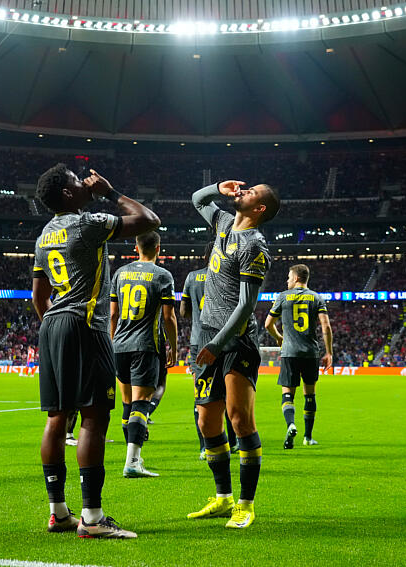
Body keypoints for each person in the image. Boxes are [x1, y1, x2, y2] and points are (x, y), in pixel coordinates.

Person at [32, 164, 159, 538]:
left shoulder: (43, 236)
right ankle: (92, 518)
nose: (83, 181)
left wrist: (55, 328)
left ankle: (59, 513)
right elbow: (148, 219)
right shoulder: (87, 223)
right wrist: (109, 191)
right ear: (69, 194)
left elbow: (40, 296)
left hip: (52, 325)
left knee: (57, 419)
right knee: (93, 418)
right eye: (76, 179)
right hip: (84, 325)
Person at [187, 179, 279, 529]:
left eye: (251, 192)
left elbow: (245, 307)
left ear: (259, 210)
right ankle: (223, 498)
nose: (243, 192)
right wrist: (217, 188)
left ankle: (246, 504)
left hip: (235, 340)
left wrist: (216, 345)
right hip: (209, 337)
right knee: (206, 421)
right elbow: (197, 198)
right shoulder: (224, 222)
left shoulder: (254, 246)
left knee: (239, 419)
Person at [109, 231, 178, 478]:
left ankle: (133, 456)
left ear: (136, 246)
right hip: (145, 345)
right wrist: (174, 345)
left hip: (120, 345)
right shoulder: (162, 276)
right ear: (159, 247)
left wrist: (112, 341)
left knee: (127, 404)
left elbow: (113, 315)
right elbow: (169, 317)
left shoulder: (119, 273)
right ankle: (132, 462)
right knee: (141, 403)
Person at [264, 264, 333, 449]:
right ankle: (308, 437)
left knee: (288, 394)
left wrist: (279, 338)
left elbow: (268, 324)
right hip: (311, 353)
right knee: (310, 395)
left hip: (289, 353)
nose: (287, 280)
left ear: (295, 278)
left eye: (288, 277)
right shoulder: (316, 297)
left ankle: (291, 424)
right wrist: (329, 352)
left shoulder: (283, 297)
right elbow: (326, 326)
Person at [181, 244, 238, 459]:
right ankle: (232, 443)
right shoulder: (228, 277)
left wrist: (197, 316)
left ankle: (204, 446)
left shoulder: (191, 277)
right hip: (225, 342)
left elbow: (184, 311)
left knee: (201, 397)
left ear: (205, 257)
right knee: (228, 395)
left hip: (199, 343)